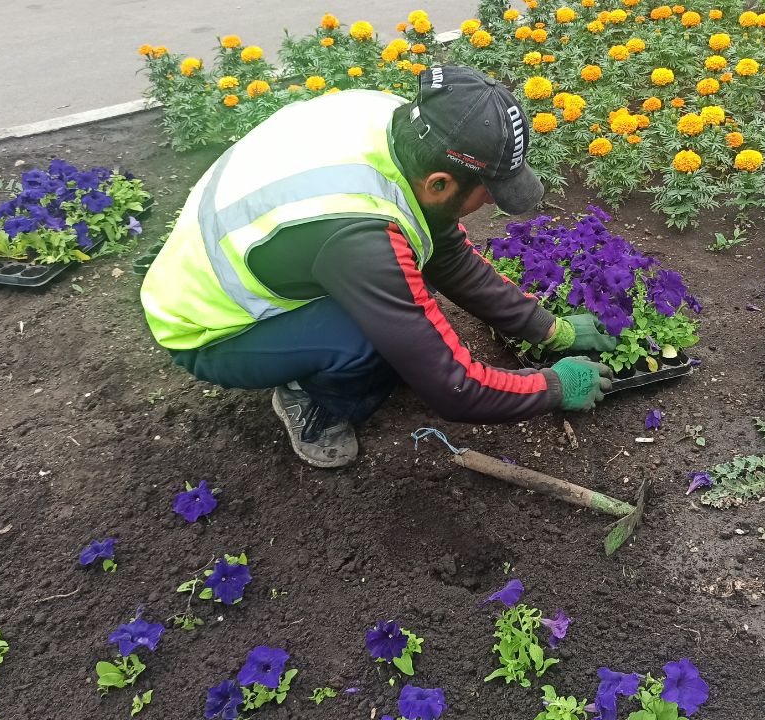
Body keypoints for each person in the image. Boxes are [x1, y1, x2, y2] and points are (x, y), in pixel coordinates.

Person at [140, 65, 616, 468]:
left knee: (401, 316)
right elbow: (455, 389)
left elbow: (447, 251)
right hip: (210, 330)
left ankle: (314, 347)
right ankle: (311, 405)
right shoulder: (359, 236)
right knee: (373, 341)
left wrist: (547, 329)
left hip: (240, 258)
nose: (490, 203)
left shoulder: (394, 121)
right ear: (440, 182)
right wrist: (553, 387)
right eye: (488, 193)